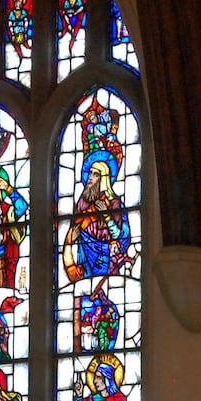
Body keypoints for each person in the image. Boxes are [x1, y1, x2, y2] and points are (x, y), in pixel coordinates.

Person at [63, 99, 133, 282]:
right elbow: (76, 226)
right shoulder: (83, 201)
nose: (90, 178)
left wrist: (107, 216)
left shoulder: (115, 203)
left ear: (104, 179)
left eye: (95, 174)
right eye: (90, 173)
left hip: (106, 258)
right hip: (85, 254)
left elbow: (122, 235)